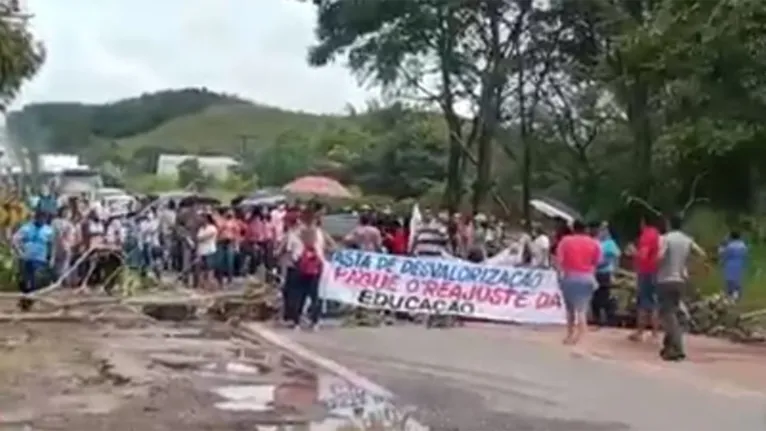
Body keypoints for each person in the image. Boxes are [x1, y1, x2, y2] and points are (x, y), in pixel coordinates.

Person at [656, 214, 706, 361]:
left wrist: (657, 268)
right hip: (681, 280)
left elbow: (660, 256)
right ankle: (668, 346)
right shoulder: (687, 239)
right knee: (673, 311)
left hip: (666, 279)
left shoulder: (665, 238)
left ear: (669, 224)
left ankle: (677, 347)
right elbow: (702, 254)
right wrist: (688, 268)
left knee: (667, 314)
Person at [555, 220, 601, 345]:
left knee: (570, 310)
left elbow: (559, 261)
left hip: (570, 277)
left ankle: (570, 335)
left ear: (573, 228)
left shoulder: (565, 241)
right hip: (587, 278)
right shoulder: (594, 243)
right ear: (585, 229)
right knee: (582, 310)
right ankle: (581, 337)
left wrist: (560, 276)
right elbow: (597, 262)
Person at [629, 214, 662, 342]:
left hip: (646, 271)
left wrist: (633, 252)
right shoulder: (657, 234)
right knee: (654, 303)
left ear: (643, 222)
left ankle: (640, 332)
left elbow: (643, 255)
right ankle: (655, 333)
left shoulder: (647, 235)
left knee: (643, 302)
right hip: (655, 271)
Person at [13, 210, 54, 311]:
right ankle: (25, 299)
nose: (42, 220)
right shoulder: (26, 228)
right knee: (25, 281)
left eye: (44, 219)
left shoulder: (48, 230)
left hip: (40, 258)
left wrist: (52, 257)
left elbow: (52, 244)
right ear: (36, 218)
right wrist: (19, 251)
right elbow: (15, 239)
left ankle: (29, 300)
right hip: (26, 258)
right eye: (40, 218)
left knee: (36, 281)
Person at [592, 222, 620, 327]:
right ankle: (597, 317)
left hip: (605, 272)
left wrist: (614, 271)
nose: (602, 231)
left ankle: (607, 318)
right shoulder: (596, 241)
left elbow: (616, 257)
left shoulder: (610, 243)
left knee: (604, 295)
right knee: (595, 296)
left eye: (604, 229)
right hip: (595, 272)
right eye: (601, 229)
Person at [718, 230, 748, 301]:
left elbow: (724, 254)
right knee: (737, 280)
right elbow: (745, 254)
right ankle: (736, 294)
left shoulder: (730, 245)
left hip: (730, 264)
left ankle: (732, 295)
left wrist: (722, 245)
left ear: (731, 237)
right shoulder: (743, 245)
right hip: (740, 263)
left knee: (730, 280)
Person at [51, 206, 75, 285]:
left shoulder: (70, 223)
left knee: (65, 263)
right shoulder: (56, 222)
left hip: (68, 245)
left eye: (68, 212)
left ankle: (63, 280)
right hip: (57, 244)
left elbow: (72, 235)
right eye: (66, 212)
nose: (67, 214)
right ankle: (56, 280)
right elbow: (55, 233)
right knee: (56, 263)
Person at [197, 213, 219, 290]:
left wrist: (202, 238)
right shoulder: (201, 229)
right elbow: (199, 238)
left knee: (210, 269)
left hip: (210, 250)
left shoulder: (212, 228)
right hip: (202, 251)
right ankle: (202, 285)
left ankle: (210, 286)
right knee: (202, 269)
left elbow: (203, 237)